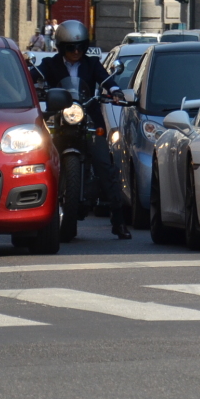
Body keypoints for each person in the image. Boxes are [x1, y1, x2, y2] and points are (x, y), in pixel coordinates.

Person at [37, 20, 131, 240]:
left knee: (105, 166)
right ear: (61, 47)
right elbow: (33, 77)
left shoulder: (92, 64)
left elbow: (106, 79)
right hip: (59, 120)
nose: (76, 51)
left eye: (80, 46)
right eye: (71, 47)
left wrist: (115, 90)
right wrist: (27, 86)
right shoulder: (51, 64)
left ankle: (118, 221)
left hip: (88, 119)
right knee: (39, 161)